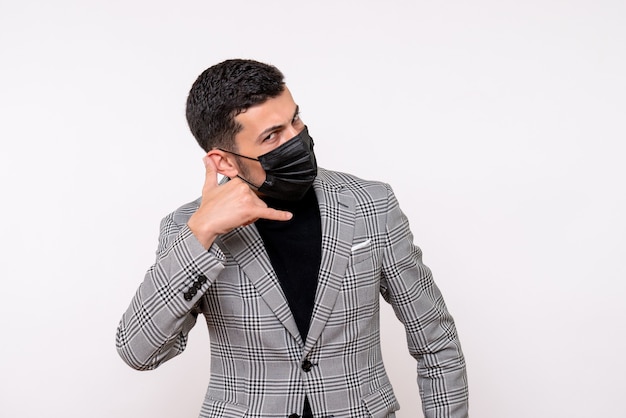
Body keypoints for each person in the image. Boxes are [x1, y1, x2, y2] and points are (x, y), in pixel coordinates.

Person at [116, 59, 469, 418]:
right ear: (224, 162)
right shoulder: (187, 229)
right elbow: (139, 352)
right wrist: (202, 232)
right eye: (272, 136)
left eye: (295, 120)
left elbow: (436, 341)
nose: (296, 139)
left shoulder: (370, 204)